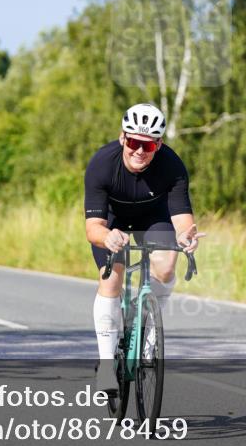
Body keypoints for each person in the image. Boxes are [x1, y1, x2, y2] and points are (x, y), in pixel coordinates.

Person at [84, 103, 205, 394]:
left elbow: (182, 220)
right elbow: (93, 228)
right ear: (123, 138)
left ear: (159, 145)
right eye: (135, 142)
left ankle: (150, 332)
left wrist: (187, 238)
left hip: (153, 218)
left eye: (148, 145)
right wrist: (107, 238)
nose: (140, 151)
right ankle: (105, 364)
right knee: (112, 276)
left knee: (165, 266)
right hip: (112, 222)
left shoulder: (172, 166)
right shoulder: (102, 164)